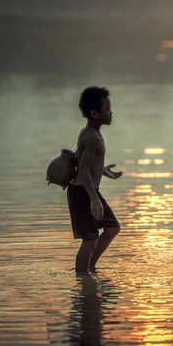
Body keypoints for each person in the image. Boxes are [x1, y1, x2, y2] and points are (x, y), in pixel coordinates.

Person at [67, 86, 122, 273]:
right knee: (90, 239)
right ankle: (81, 277)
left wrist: (102, 171)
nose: (111, 112)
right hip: (83, 193)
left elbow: (85, 164)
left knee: (112, 227)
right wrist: (94, 199)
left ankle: (89, 267)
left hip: (88, 191)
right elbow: (82, 170)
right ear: (95, 113)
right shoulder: (92, 138)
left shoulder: (91, 133)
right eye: (107, 108)